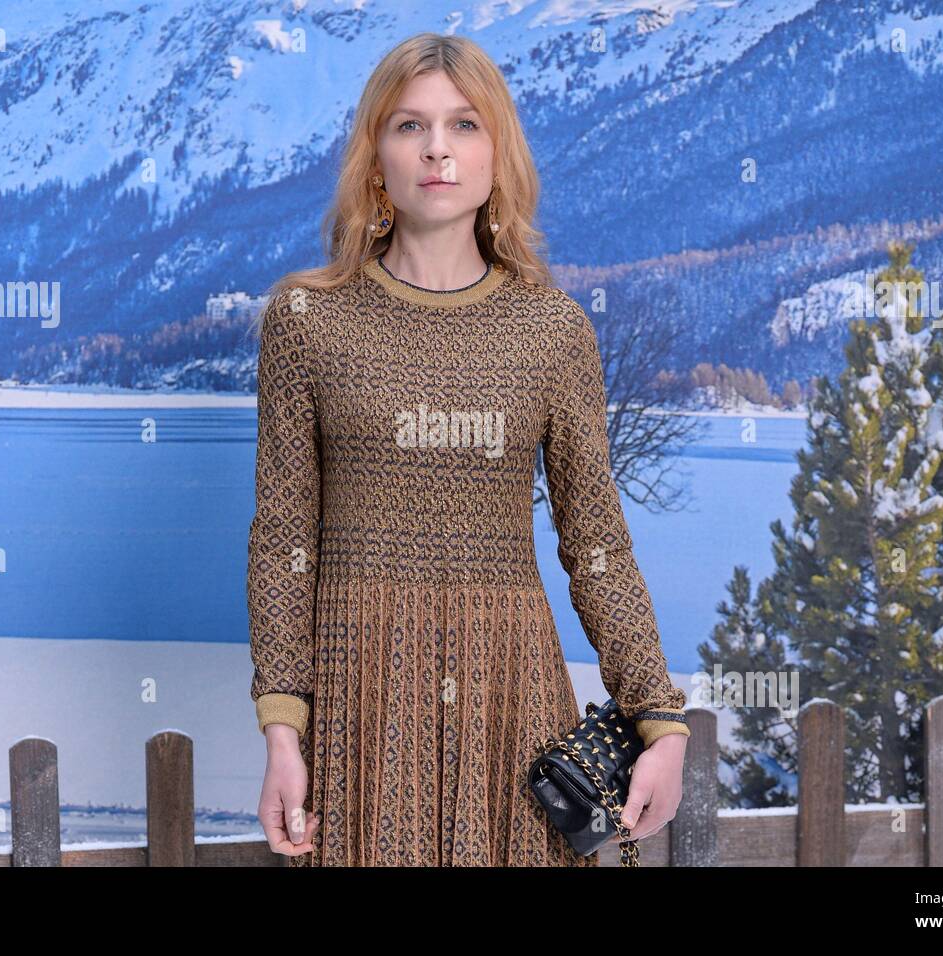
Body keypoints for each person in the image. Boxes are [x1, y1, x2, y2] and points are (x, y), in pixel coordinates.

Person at [247, 32, 690, 867]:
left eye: (465, 125)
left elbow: (596, 544)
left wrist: (658, 720)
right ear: (375, 155)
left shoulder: (553, 331)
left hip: (511, 692)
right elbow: (283, 543)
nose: (438, 150)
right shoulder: (308, 321)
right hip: (357, 695)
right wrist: (283, 729)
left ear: (498, 154)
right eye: (410, 126)